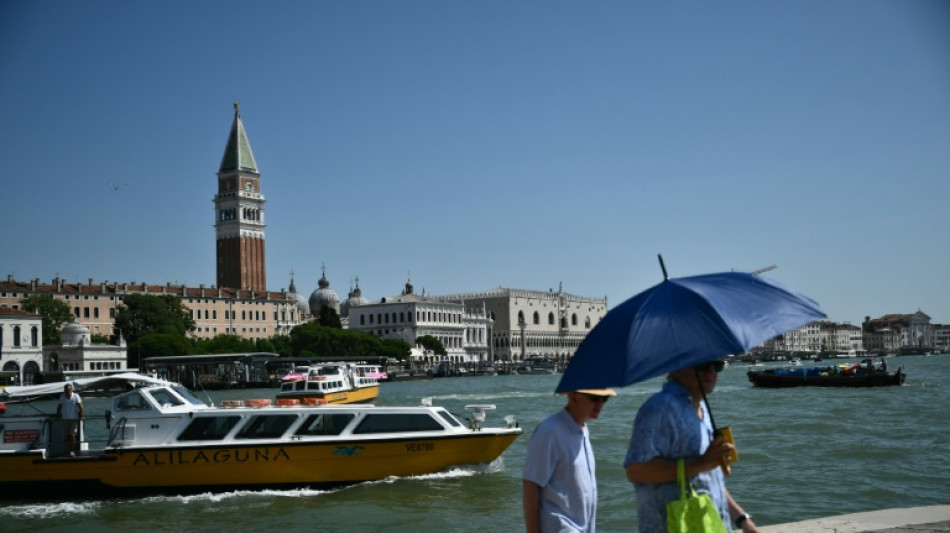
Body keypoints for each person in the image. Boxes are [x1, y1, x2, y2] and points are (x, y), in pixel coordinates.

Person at [624, 361, 760, 532]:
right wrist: (701, 463)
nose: (711, 372)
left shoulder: (701, 407)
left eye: (717, 366)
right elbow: (636, 471)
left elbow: (707, 480)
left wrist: (741, 519)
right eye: (703, 365)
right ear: (678, 366)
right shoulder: (659, 408)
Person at [523, 388, 616, 532]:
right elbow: (531, 484)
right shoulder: (549, 431)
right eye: (594, 398)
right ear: (573, 396)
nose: (600, 404)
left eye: (605, 399)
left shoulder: (583, 430)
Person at [56, 382, 84, 457]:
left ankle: (72, 451)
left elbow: (81, 406)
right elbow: (59, 406)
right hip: (65, 419)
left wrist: (82, 415)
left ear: (71, 390)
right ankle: (69, 450)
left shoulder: (76, 396)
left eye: (68, 390)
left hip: (73, 419)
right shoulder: (62, 396)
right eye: (65, 390)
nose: (66, 391)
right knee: (67, 435)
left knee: (72, 435)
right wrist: (57, 415)